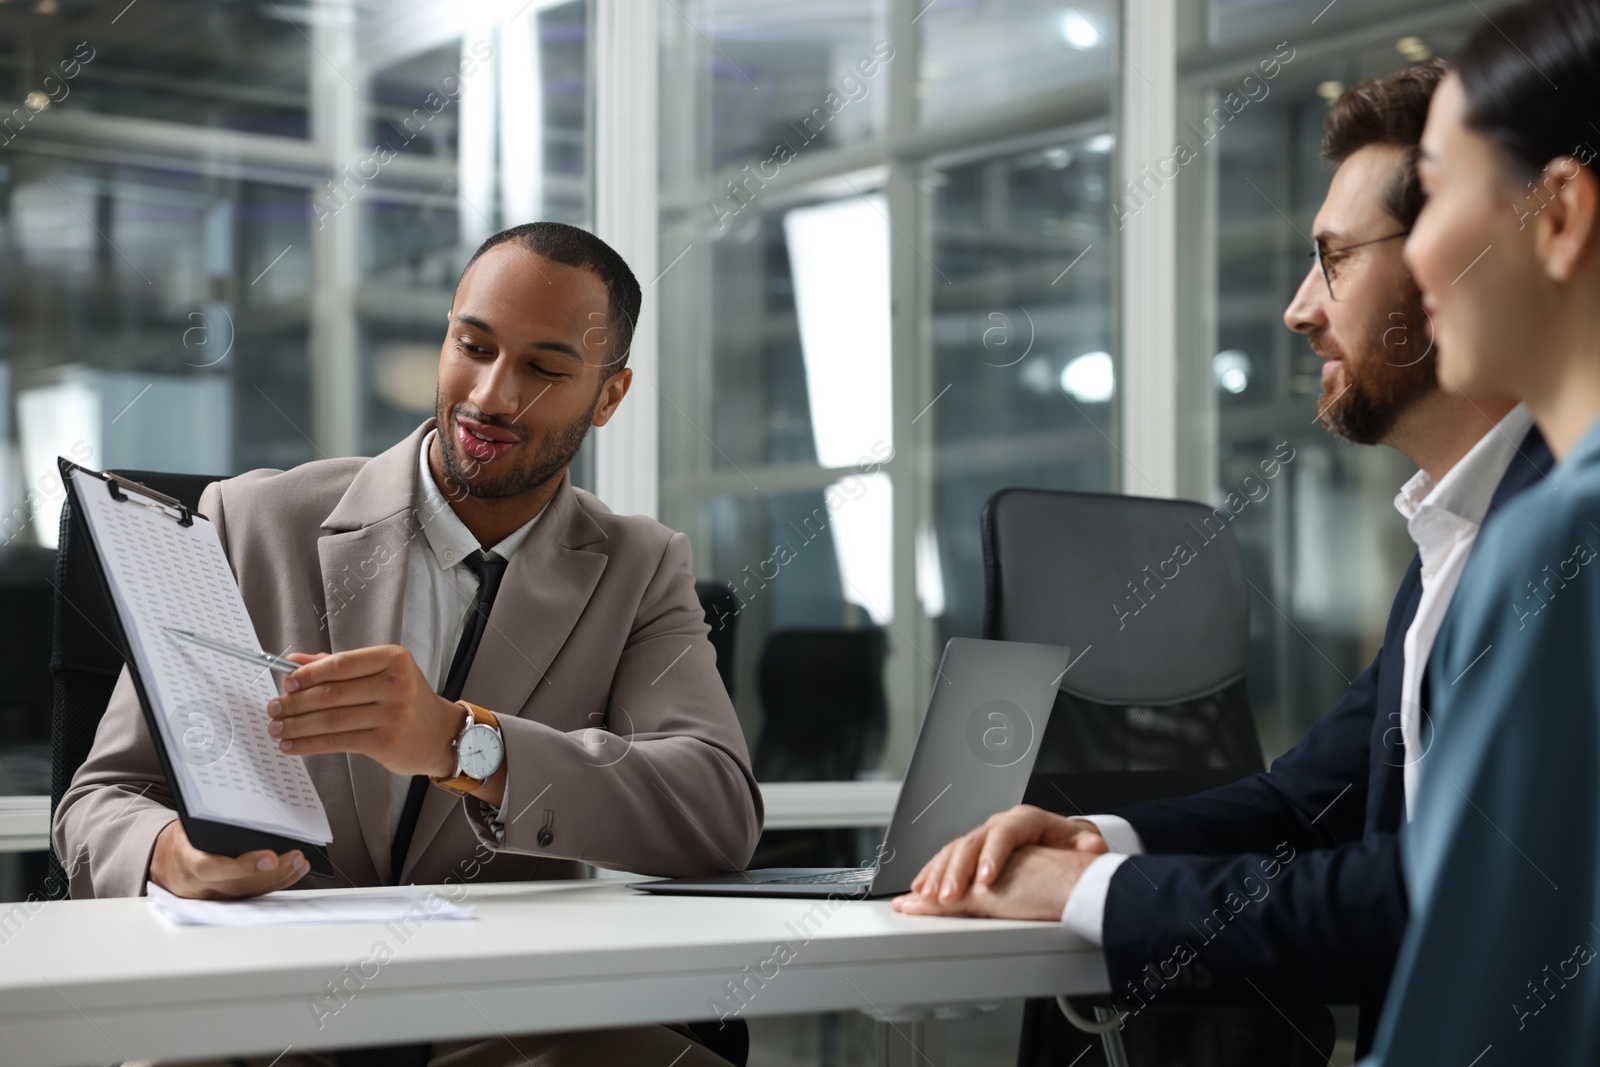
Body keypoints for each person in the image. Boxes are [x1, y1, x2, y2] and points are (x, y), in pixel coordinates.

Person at [893, 61, 1551, 1055]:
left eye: (1332, 257)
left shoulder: (1555, 540)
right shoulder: (1452, 532)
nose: (1297, 308)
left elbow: (1441, 894)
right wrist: (1097, 837)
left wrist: (1088, 886)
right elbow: (1307, 803)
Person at [53, 222, 761, 1067]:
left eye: (544, 368)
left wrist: (465, 743)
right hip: (255, 1023)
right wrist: (173, 855)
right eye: (474, 344)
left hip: (502, 1031)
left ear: (608, 397)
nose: (494, 396)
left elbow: (717, 814)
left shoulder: (640, 568)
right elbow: (99, 799)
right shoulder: (249, 523)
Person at [1362, 1, 1600, 1062]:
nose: (1412, 254)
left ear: (1557, 213)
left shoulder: (1559, 543)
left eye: (1432, 190)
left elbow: (1468, 1026)